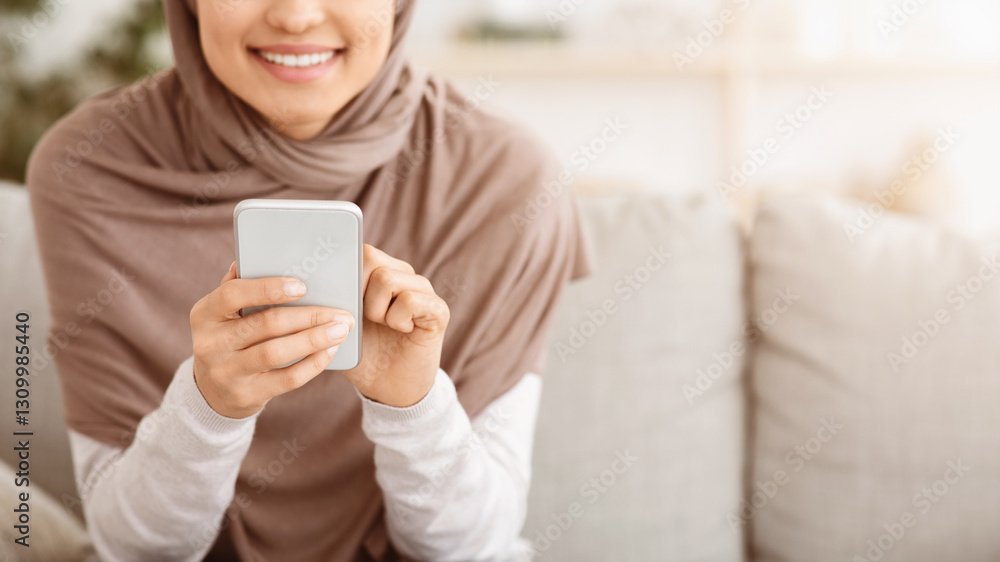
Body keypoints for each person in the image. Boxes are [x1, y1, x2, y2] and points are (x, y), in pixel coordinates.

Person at [26, 0, 593, 560]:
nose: (296, 17)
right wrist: (207, 410)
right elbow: (133, 549)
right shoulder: (89, 167)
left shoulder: (508, 181)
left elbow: (472, 547)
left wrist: (413, 409)